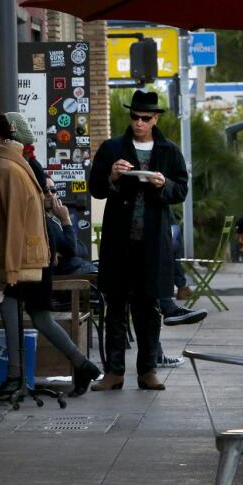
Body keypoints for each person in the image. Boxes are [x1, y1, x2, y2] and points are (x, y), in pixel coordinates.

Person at [0, 113, 100, 397]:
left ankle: (15, 376)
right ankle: (82, 364)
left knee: (12, 309)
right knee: (39, 317)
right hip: (36, 255)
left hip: (25, 257)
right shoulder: (23, 167)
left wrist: (9, 266)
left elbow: (14, 222)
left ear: (2, 136)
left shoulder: (7, 168)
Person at [88, 89, 188, 391]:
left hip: (153, 244)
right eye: (135, 117)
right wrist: (112, 177)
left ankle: (147, 370)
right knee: (115, 307)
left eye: (145, 118)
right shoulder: (112, 148)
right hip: (120, 242)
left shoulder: (168, 151)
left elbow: (181, 189)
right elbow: (95, 188)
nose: (139, 123)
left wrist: (164, 184)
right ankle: (114, 372)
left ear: (155, 118)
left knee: (148, 309)